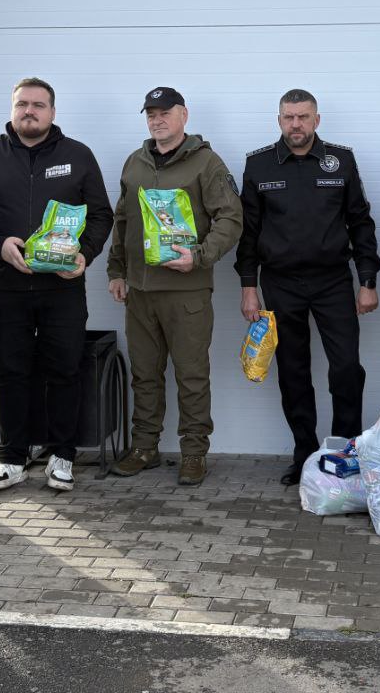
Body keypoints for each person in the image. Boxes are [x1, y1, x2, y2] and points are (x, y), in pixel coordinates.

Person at [0, 77, 114, 494]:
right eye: (22, 104)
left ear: (52, 112)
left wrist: (85, 254)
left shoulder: (77, 155)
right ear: (13, 109)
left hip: (62, 288)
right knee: (10, 373)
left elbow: (101, 214)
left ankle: (62, 457)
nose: (29, 111)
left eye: (38, 105)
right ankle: (11, 459)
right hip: (4, 287)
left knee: (64, 370)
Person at [237, 89, 380, 485]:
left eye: (303, 117)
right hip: (280, 283)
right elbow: (248, 234)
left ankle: (344, 452)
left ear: (317, 120)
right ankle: (304, 453)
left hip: (333, 281)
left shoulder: (340, 160)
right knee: (293, 371)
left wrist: (367, 280)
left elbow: (360, 222)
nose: (296, 124)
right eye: (289, 117)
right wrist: (248, 286)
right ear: (279, 120)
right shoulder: (259, 165)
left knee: (346, 369)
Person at [107, 87, 243, 485]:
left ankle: (194, 453)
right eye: (151, 113)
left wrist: (199, 255)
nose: (157, 120)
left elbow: (231, 218)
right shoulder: (134, 163)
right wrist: (116, 271)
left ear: (184, 114)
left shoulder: (206, 163)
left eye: (165, 112)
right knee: (145, 375)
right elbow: (122, 221)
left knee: (191, 376)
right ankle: (144, 448)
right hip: (140, 292)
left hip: (187, 293)